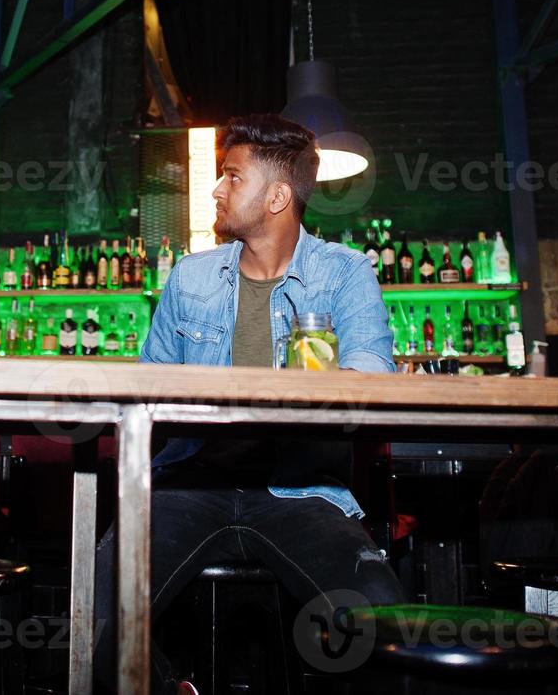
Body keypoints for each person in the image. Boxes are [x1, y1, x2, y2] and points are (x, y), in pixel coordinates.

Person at [92, 113, 403, 694]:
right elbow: (147, 387)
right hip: (190, 485)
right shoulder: (190, 277)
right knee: (96, 612)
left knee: (382, 618)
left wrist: (319, 380)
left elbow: (375, 378)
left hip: (300, 491)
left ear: (279, 196)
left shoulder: (345, 273)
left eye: (232, 176)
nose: (216, 189)